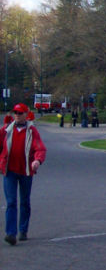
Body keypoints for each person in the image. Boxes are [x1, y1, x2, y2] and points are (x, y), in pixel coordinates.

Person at [1, 103, 47, 245]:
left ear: (26, 115)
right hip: (9, 171)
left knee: (24, 201)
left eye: (20, 113)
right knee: (11, 202)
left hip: (26, 171)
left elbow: (40, 148)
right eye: (15, 112)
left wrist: (37, 161)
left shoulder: (32, 131)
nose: (17, 115)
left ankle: (23, 230)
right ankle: (11, 233)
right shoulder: (6, 130)